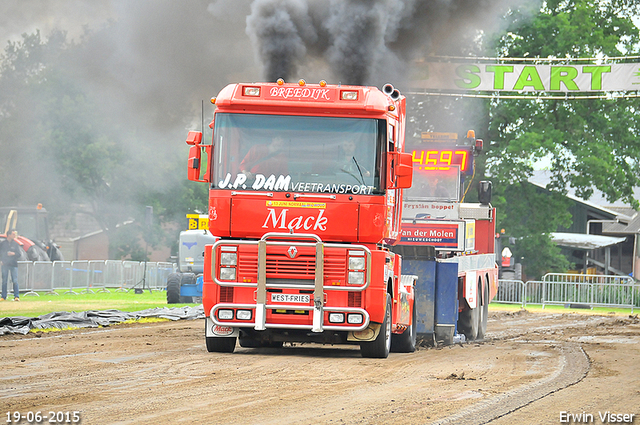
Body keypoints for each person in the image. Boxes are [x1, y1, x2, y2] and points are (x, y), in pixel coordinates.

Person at [0, 229, 21, 301]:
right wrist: (2, 260)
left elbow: (19, 254)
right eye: (13, 234)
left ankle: (16, 296)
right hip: (5, 264)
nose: (14, 235)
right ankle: (3, 296)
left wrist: (13, 254)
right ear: (8, 235)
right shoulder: (2, 244)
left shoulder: (15, 244)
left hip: (13, 265)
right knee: (4, 281)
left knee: (15, 280)